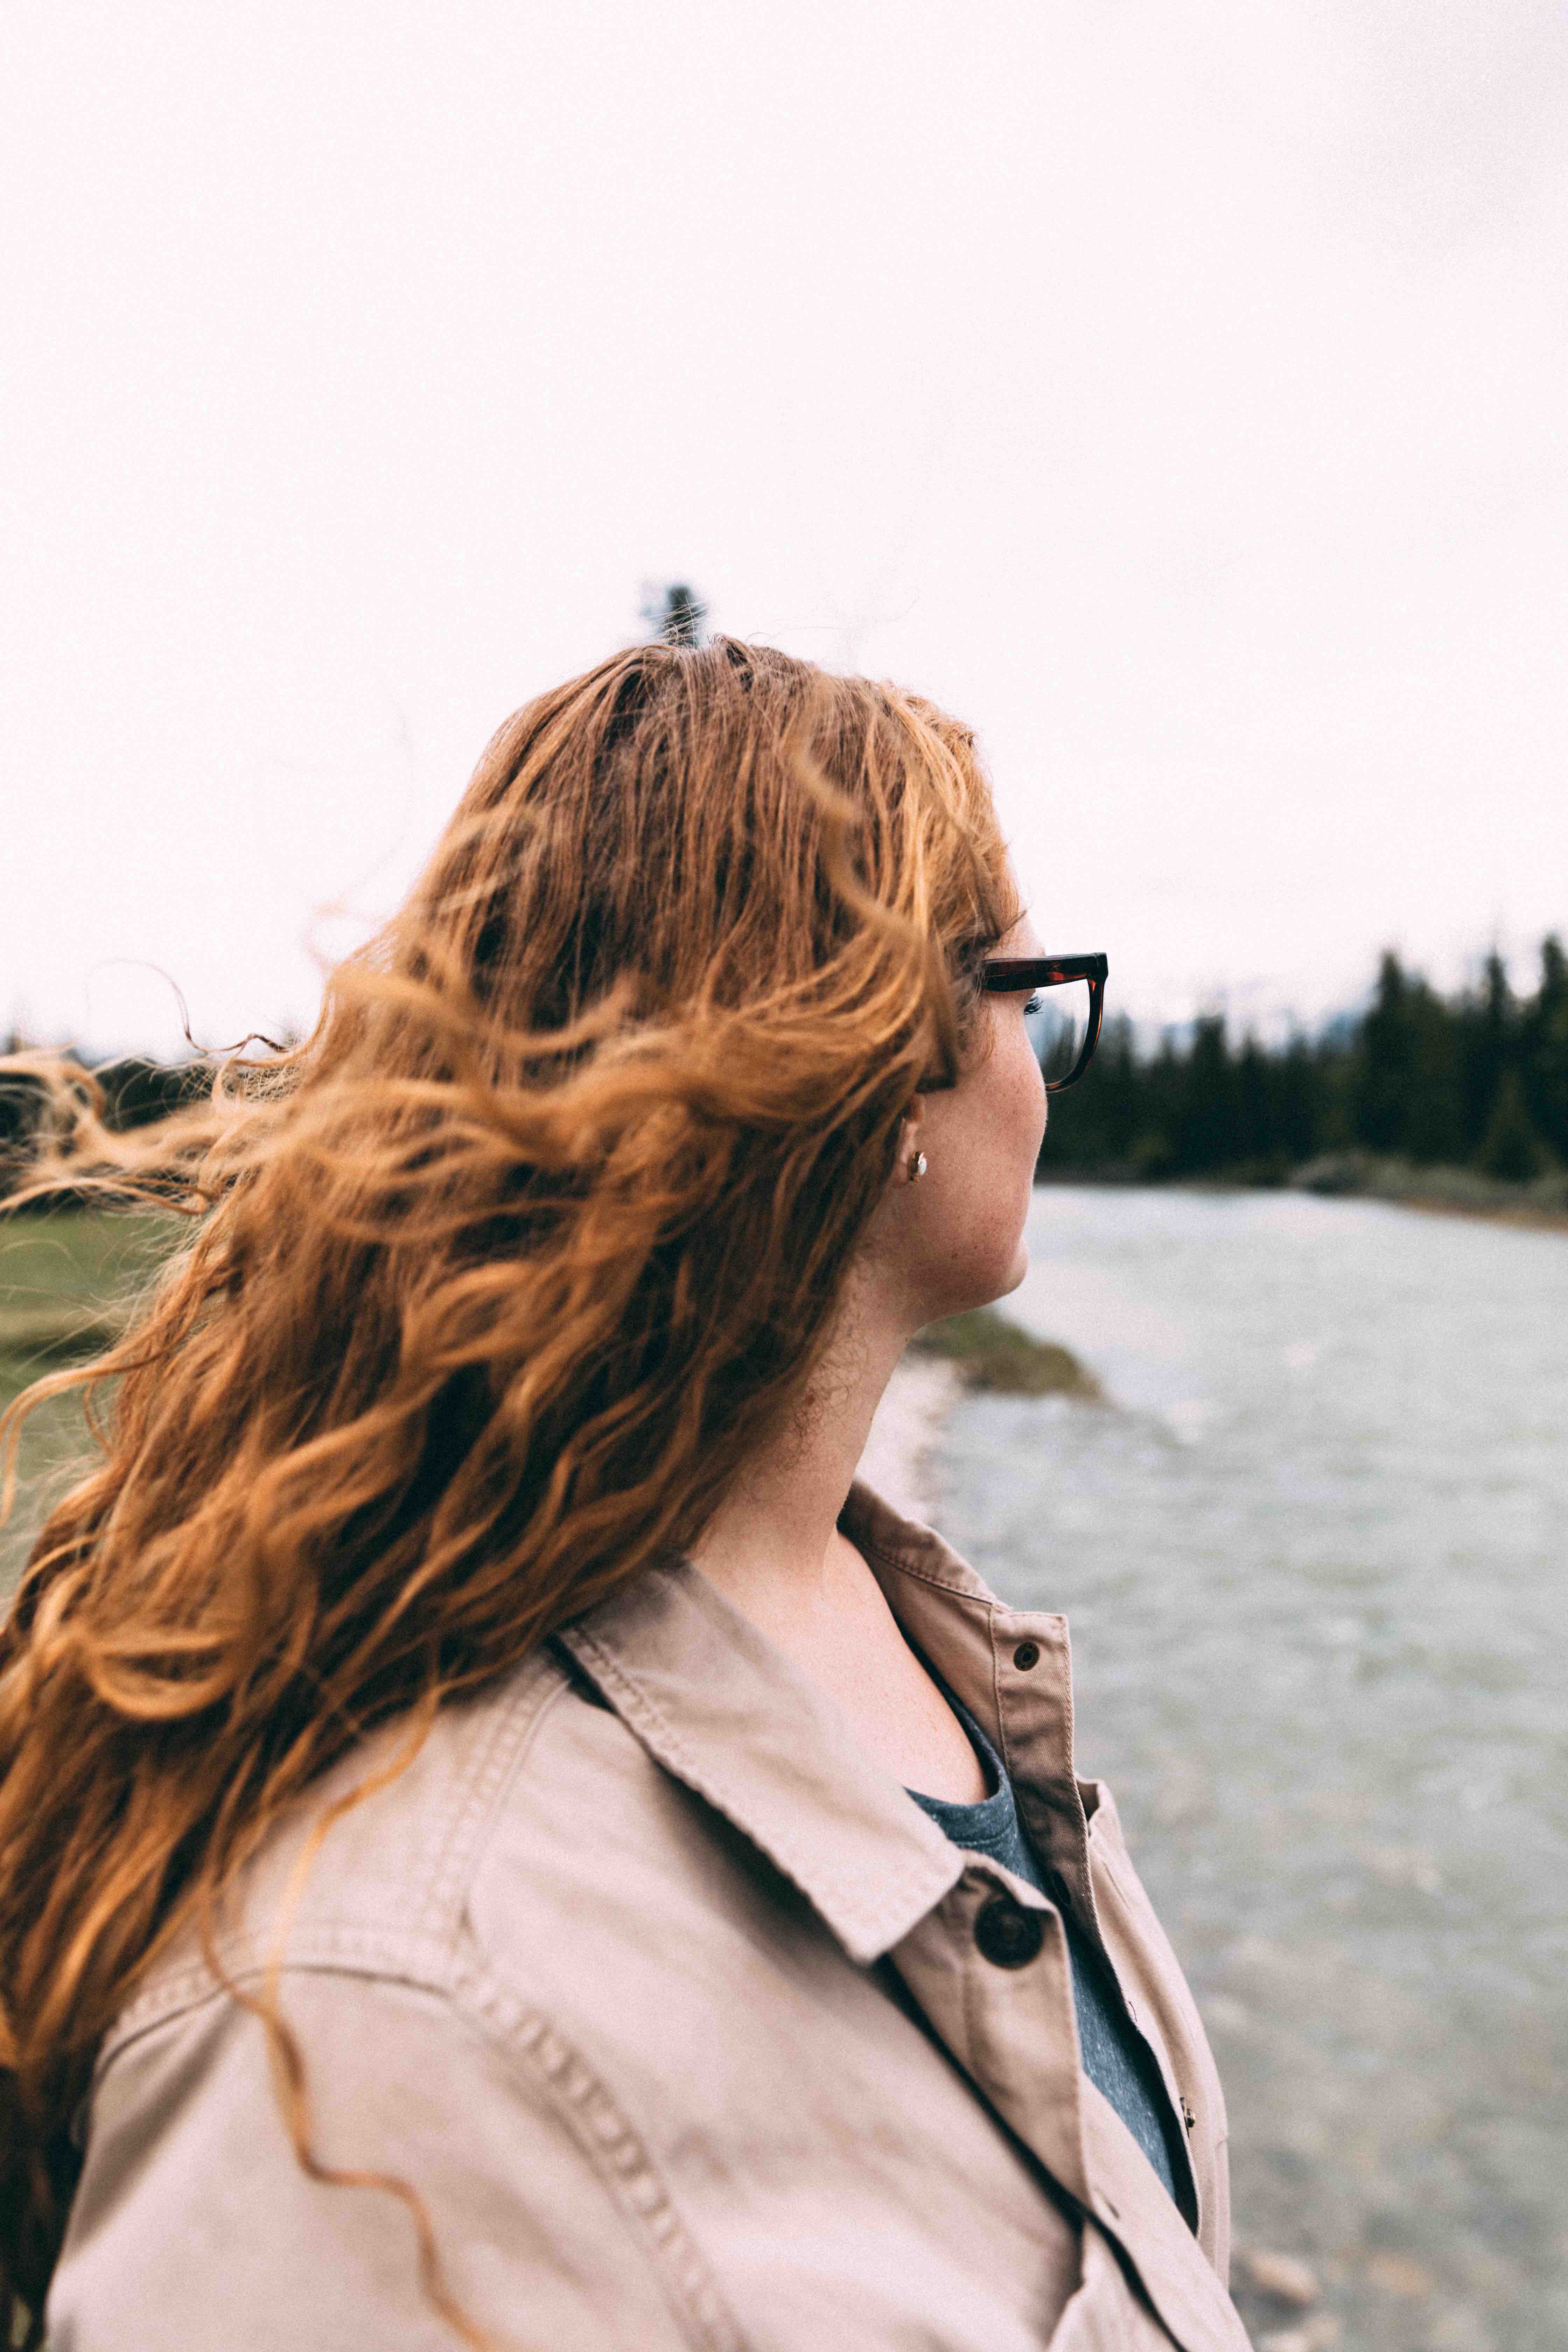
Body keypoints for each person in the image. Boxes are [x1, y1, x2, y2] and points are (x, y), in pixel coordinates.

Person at [0, 641, 1247, 2350]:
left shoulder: (911, 1627)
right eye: (1029, 994)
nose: (1043, 1071)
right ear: (886, 1057)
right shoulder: (383, 2014)